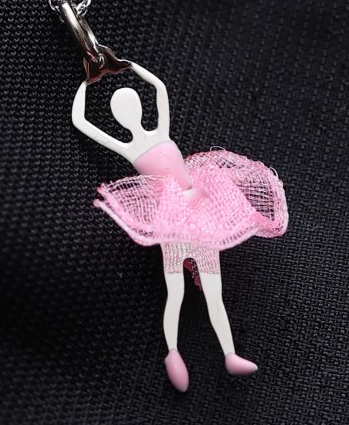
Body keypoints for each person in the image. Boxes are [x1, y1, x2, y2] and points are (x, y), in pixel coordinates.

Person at [72, 62, 288, 391]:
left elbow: (159, 88)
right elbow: (82, 122)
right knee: (176, 292)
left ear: (140, 106)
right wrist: (86, 82)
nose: (129, 112)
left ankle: (230, 354)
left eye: (132, 105)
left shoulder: (161, 132)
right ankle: (173, 353)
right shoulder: (129, 148)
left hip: (201, 215)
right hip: (172, 222)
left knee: (213, 291)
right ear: (117, 118)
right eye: (122, 110)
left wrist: (128, 66)